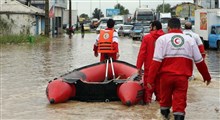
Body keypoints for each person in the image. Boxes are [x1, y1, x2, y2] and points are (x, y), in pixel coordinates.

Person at [147, 18, 211, 120]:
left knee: (164, 102)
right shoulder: (190, 40)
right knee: (180, 105)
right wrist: (207, 77)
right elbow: (199, 61)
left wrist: (150, 80)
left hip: (165, 78)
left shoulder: (162, 39)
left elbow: (156, 62)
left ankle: (164, 117)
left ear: (168, 27)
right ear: (180, 27)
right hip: (182, 78)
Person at [136, 21, 164, 104]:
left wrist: (139, 67)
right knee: (161, 95)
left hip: (149, 69)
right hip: (162, 69)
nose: (149, 28)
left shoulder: (147, 38)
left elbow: (142, 53)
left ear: (154, 27)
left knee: (147, 94)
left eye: (150, 26)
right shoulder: (165, 38)